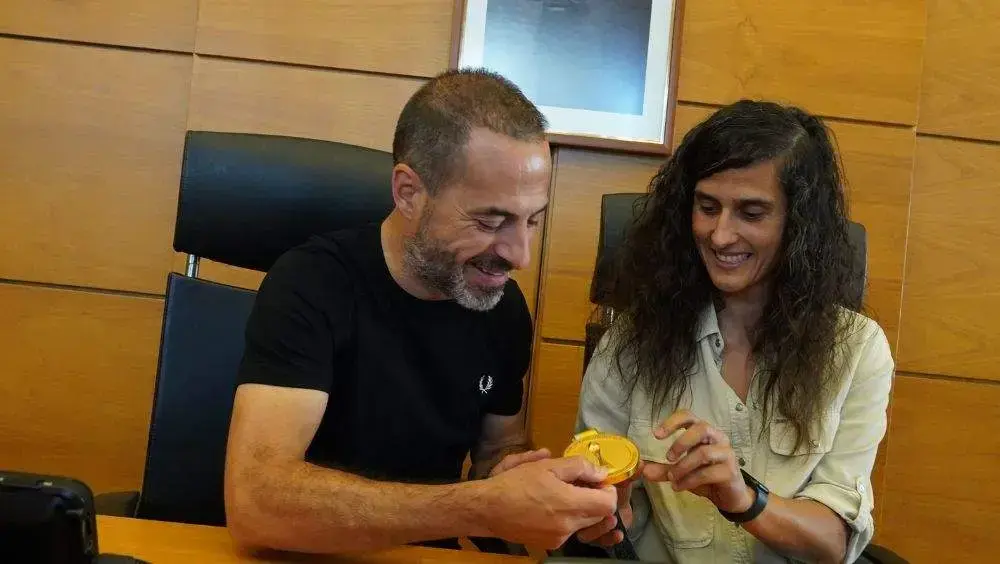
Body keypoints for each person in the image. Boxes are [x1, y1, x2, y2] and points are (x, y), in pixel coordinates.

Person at [223, 68, 617, 554]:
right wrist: (480, 505)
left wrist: (531, 486)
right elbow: (257, 502)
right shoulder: (311, 284)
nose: (520, 256)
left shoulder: (502, 306)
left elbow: (497, 450)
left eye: (532, 221)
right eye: (491, 221)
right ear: (409, 193)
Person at [575, 100, 894, 563]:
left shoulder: (858, 351)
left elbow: (834, 542)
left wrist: (743, 498)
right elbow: (606, 523)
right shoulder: (630, 342)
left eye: (751, 212)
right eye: (707, 207)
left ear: (798, 224)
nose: (721, 235)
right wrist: (602, 517)